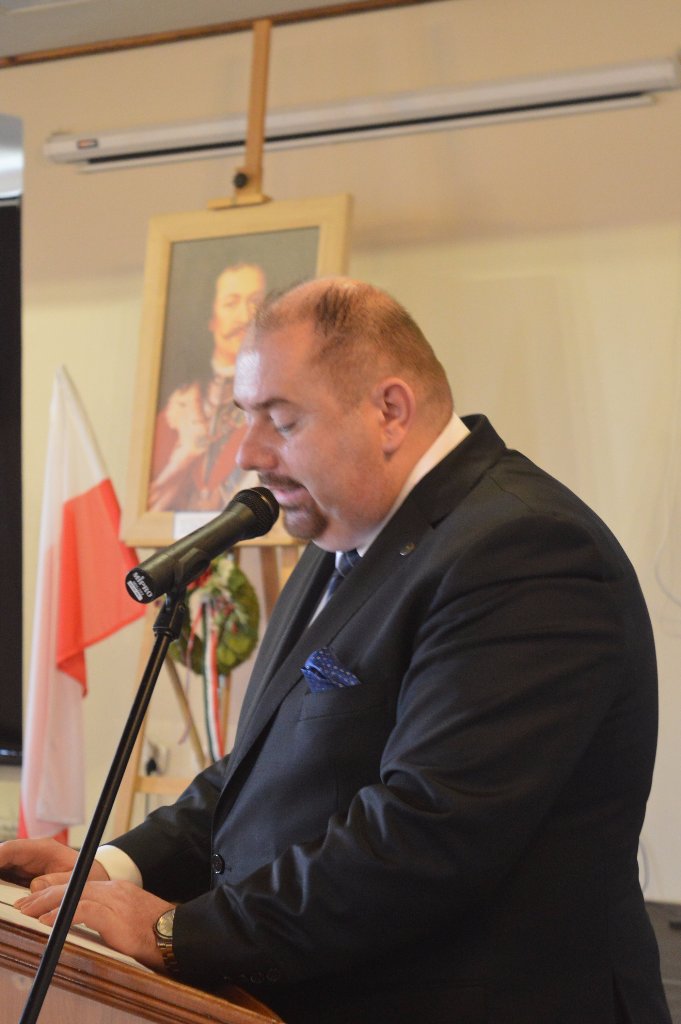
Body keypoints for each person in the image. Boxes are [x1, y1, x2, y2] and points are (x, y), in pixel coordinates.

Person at [1, 278, 671, 1024]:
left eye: (282, 421)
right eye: (245, 417)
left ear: (390, 411)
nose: (248, 453)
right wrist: (111, 869)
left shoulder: (524, 550)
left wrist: (175, 932)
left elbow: (425, 834)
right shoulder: (342, 535)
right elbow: (264, 770)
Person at [147, 261, 266, 512]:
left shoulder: (279, 409)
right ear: (211, 317)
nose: (245, 317)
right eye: (231, 304)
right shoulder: (177, 409)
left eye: (255, 302)